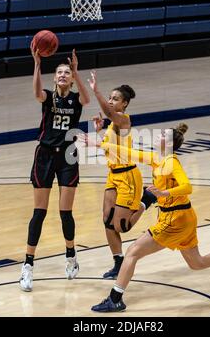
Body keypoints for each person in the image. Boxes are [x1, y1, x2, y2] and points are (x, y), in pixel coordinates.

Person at [88, 123, 210, 312]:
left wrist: (164, 192)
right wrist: (100, 145)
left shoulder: (171, 162)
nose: (158, 135)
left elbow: (188, 187)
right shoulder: (157, 158)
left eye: (162, 134)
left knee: (132, 252)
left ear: (168, 143)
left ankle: (115, 299)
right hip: (184, 216)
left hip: (175, 219)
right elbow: (127, 152)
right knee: (197, 263)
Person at [19, 47, 90, 292]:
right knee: (39, 212)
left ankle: (71, 255)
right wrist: (37, 64)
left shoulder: (75, 99)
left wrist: (77, 72)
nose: (62, 75)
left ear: (71, 78)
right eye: (59, 72)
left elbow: (87, 99)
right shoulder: (48, 97)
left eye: (66, 73)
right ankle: (27, 266)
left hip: (68, 157)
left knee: (65, 213)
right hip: (45, 156)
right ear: (54, 77)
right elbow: (36, 92)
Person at [87, 70, 156, 280]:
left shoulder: (124, 120)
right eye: (109, 97)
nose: (110, 101)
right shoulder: (112, 125)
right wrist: (99, 133)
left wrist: (96, 91)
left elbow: (109, 114)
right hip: (113, 175)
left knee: (122, 226)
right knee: (107, 221)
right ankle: (118, 262)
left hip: (128, 177)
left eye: (114, 99)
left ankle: (146, 199)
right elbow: (112, 147)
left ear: (124, 104)